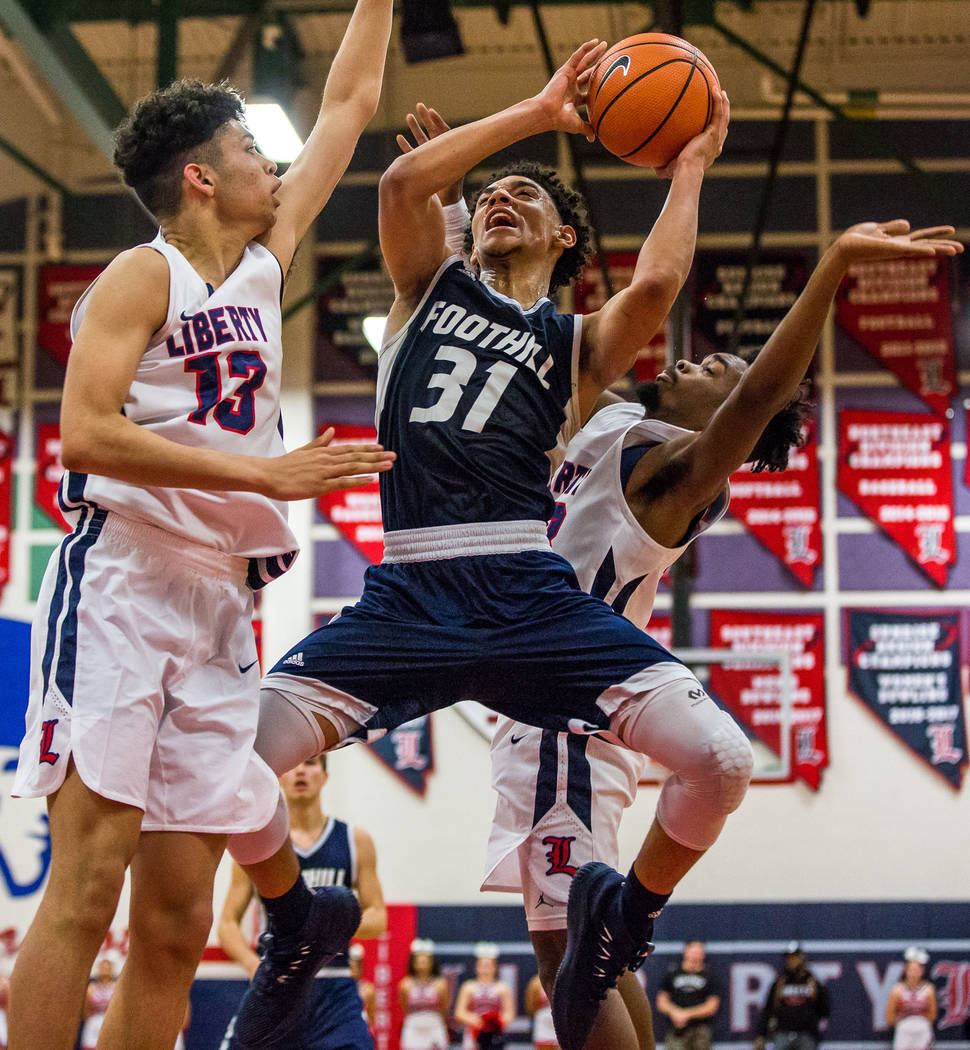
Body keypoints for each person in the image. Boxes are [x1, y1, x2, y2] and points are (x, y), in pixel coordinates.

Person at [249, 34, 962, 1050]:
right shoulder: (589, 409)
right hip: (445, 611)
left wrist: (730, 194)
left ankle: (627, 913)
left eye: (721, 367)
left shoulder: (669, 471)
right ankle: (307, 917)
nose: (707, 359)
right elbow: (457, 290)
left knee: (580, 979)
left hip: (565, 703)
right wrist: (474, 201)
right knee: (578, 974)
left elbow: (723, 359)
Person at [7, 3, 396, 1048]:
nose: (274, 163)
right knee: (85, 894)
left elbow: (353, 104)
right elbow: (84, 435)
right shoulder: (143, 275)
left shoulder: (265, 261)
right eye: (250, 150)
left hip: (220, 596)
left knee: (176, 927)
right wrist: (261, 472)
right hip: (123, 582)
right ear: (200, 177)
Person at [218, 754, 386, 1050]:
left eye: (311, 763)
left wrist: (333, 923)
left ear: (324, 776)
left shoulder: (354, 840)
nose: (300, 771)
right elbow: (228, 924)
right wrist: (253, 965)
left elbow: (378, 917)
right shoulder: (257, 843)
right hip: (279, 982)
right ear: (279, 776)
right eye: (292, 764)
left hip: (334, 986)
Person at [754, 944, 830, 1050]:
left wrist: (817, 996)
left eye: (794, 957)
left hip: (806, 1035)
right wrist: (761, 1035)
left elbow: (825, 1011)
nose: (791, 961)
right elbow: (768, 1010)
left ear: (802, 958)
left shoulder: (812, 982)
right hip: (783, 1033)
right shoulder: (780, 983)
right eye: (789, 958)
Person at [656, 942, 720, 1050]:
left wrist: (687, 1014)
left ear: (703, 955)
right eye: (693, 951)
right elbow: (661, 1002)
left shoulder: (709, 977)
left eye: (699, 952)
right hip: (676, 1029)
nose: (696, 955)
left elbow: (712, 1005)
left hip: (700, 1030)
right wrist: (675, 1012)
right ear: (686, 952)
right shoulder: (672, 975)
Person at [454, 943, 515, 1050]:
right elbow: (459, 1012)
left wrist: (496, 1023)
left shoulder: (502, 987)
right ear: (476, 967)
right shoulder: (468, 987)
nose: (485, 969)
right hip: (473, 1031)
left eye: (489, 965)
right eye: (482, 965)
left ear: (495, 967)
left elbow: (509, 1013)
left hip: (495, 1033)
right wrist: (476, 1020)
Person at [399, 938, 451, 1050]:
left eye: (425, 960)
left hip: (435, 1027)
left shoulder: (440, 984)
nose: (422, 963)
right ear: (413, 962)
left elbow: (444, 1008)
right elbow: (403, 1007)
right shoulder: (405, 984)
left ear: (432, 962)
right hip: (413, 1028)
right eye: (418, 960)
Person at [886, 947, 936, 1050]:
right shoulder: (898, 990)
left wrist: (919, 1023)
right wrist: (904, 1024)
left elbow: (932, 1015)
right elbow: (889, 1016)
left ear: (922, 971)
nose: (914, 972)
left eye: (917, 969)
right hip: (904, 1032)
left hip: (923, 1032)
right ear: (906, 969)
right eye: (912, 969)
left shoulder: (928, 989)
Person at [80, 952, 120, 1050]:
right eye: (103, 967)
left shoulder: (117, 987)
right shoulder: (91, 988)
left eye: (107, 967)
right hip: (93, 1023)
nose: (105, 970)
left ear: (111, 969)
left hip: (111, 1022)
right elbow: (85, 1011)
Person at [526, 972, 560, 1050]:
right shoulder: (536, 982)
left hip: (562, 1028)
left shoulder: (567, 980)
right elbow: (531, 1007)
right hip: (543, 1028)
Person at [350, 944, 377, 1034]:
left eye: (356, 965)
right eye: (350, 966)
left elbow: (371, 1015)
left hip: (362, 1029)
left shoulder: (368, 989)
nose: (353, 970)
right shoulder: (339, 986)